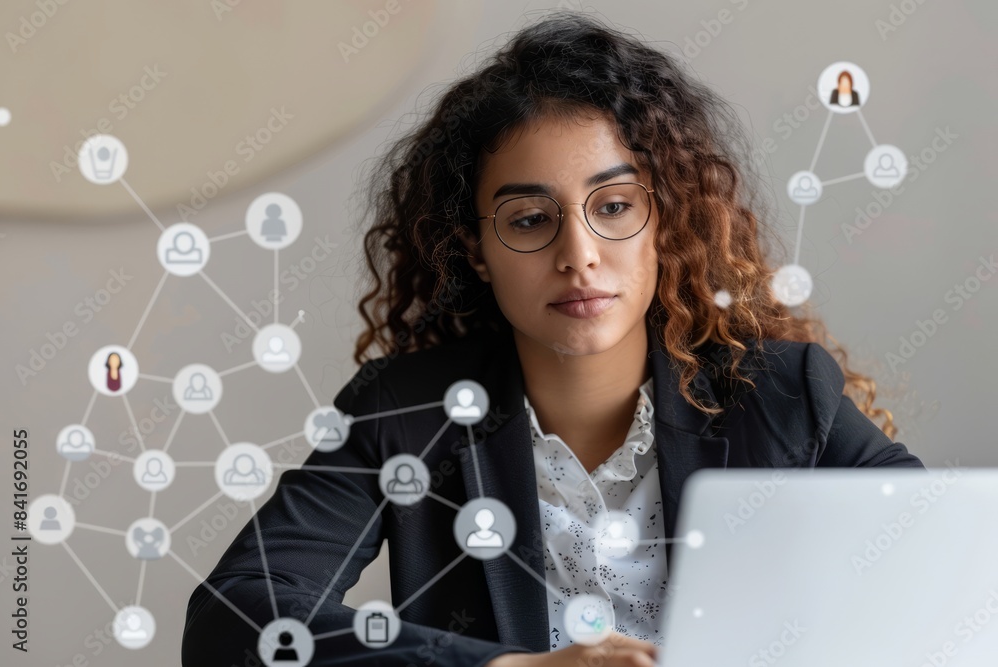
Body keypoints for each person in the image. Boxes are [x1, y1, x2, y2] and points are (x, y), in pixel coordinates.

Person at [182, 11, 923, 666]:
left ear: (663, 221)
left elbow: (942, 575)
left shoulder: (787, 391)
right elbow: (233, 616)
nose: (580, 254)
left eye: (614, 205)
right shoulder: (404, 412)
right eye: (531, 219)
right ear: (476, 248)